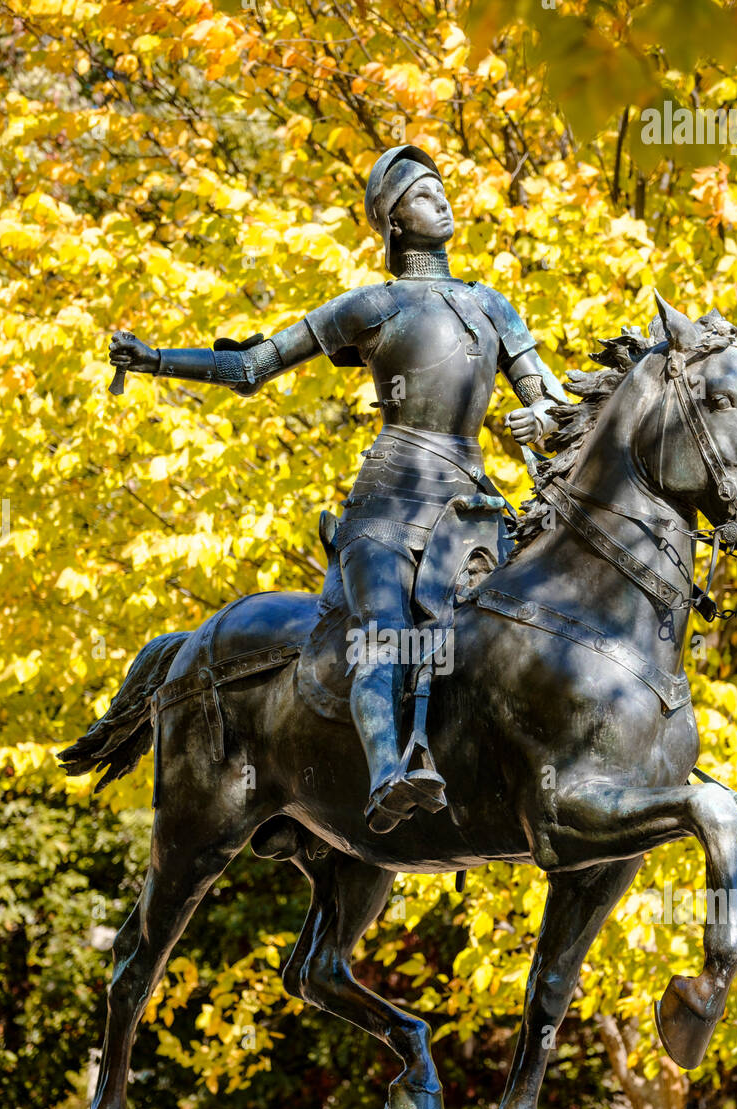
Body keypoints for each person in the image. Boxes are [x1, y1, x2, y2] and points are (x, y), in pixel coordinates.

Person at [109, 145, 561, 832]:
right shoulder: (370, 306)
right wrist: (157, 361)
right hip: (388, 507)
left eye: (441, 187)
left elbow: (549, 404)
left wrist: (544, 420)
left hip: (473, 512)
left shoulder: (493, 306)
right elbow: (251, 366)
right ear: (394, 222)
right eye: (420, 192)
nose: (440, 198)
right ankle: (388, 775)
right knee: (384, 639)